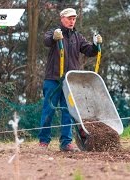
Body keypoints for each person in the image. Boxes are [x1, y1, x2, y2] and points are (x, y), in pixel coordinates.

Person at [38, 8, 102, 152]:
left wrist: (96, 45)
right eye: (69, 18)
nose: (71, 21)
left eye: (73, 18)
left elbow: (89, 51)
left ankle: (66, 143)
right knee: (48, 110)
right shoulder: (54, 32)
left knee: (68, 112)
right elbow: (46, 41)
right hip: (53, 79)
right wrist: (55, 37)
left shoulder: (77, 37)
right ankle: (43, 142)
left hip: (70, 81)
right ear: (62, 19)